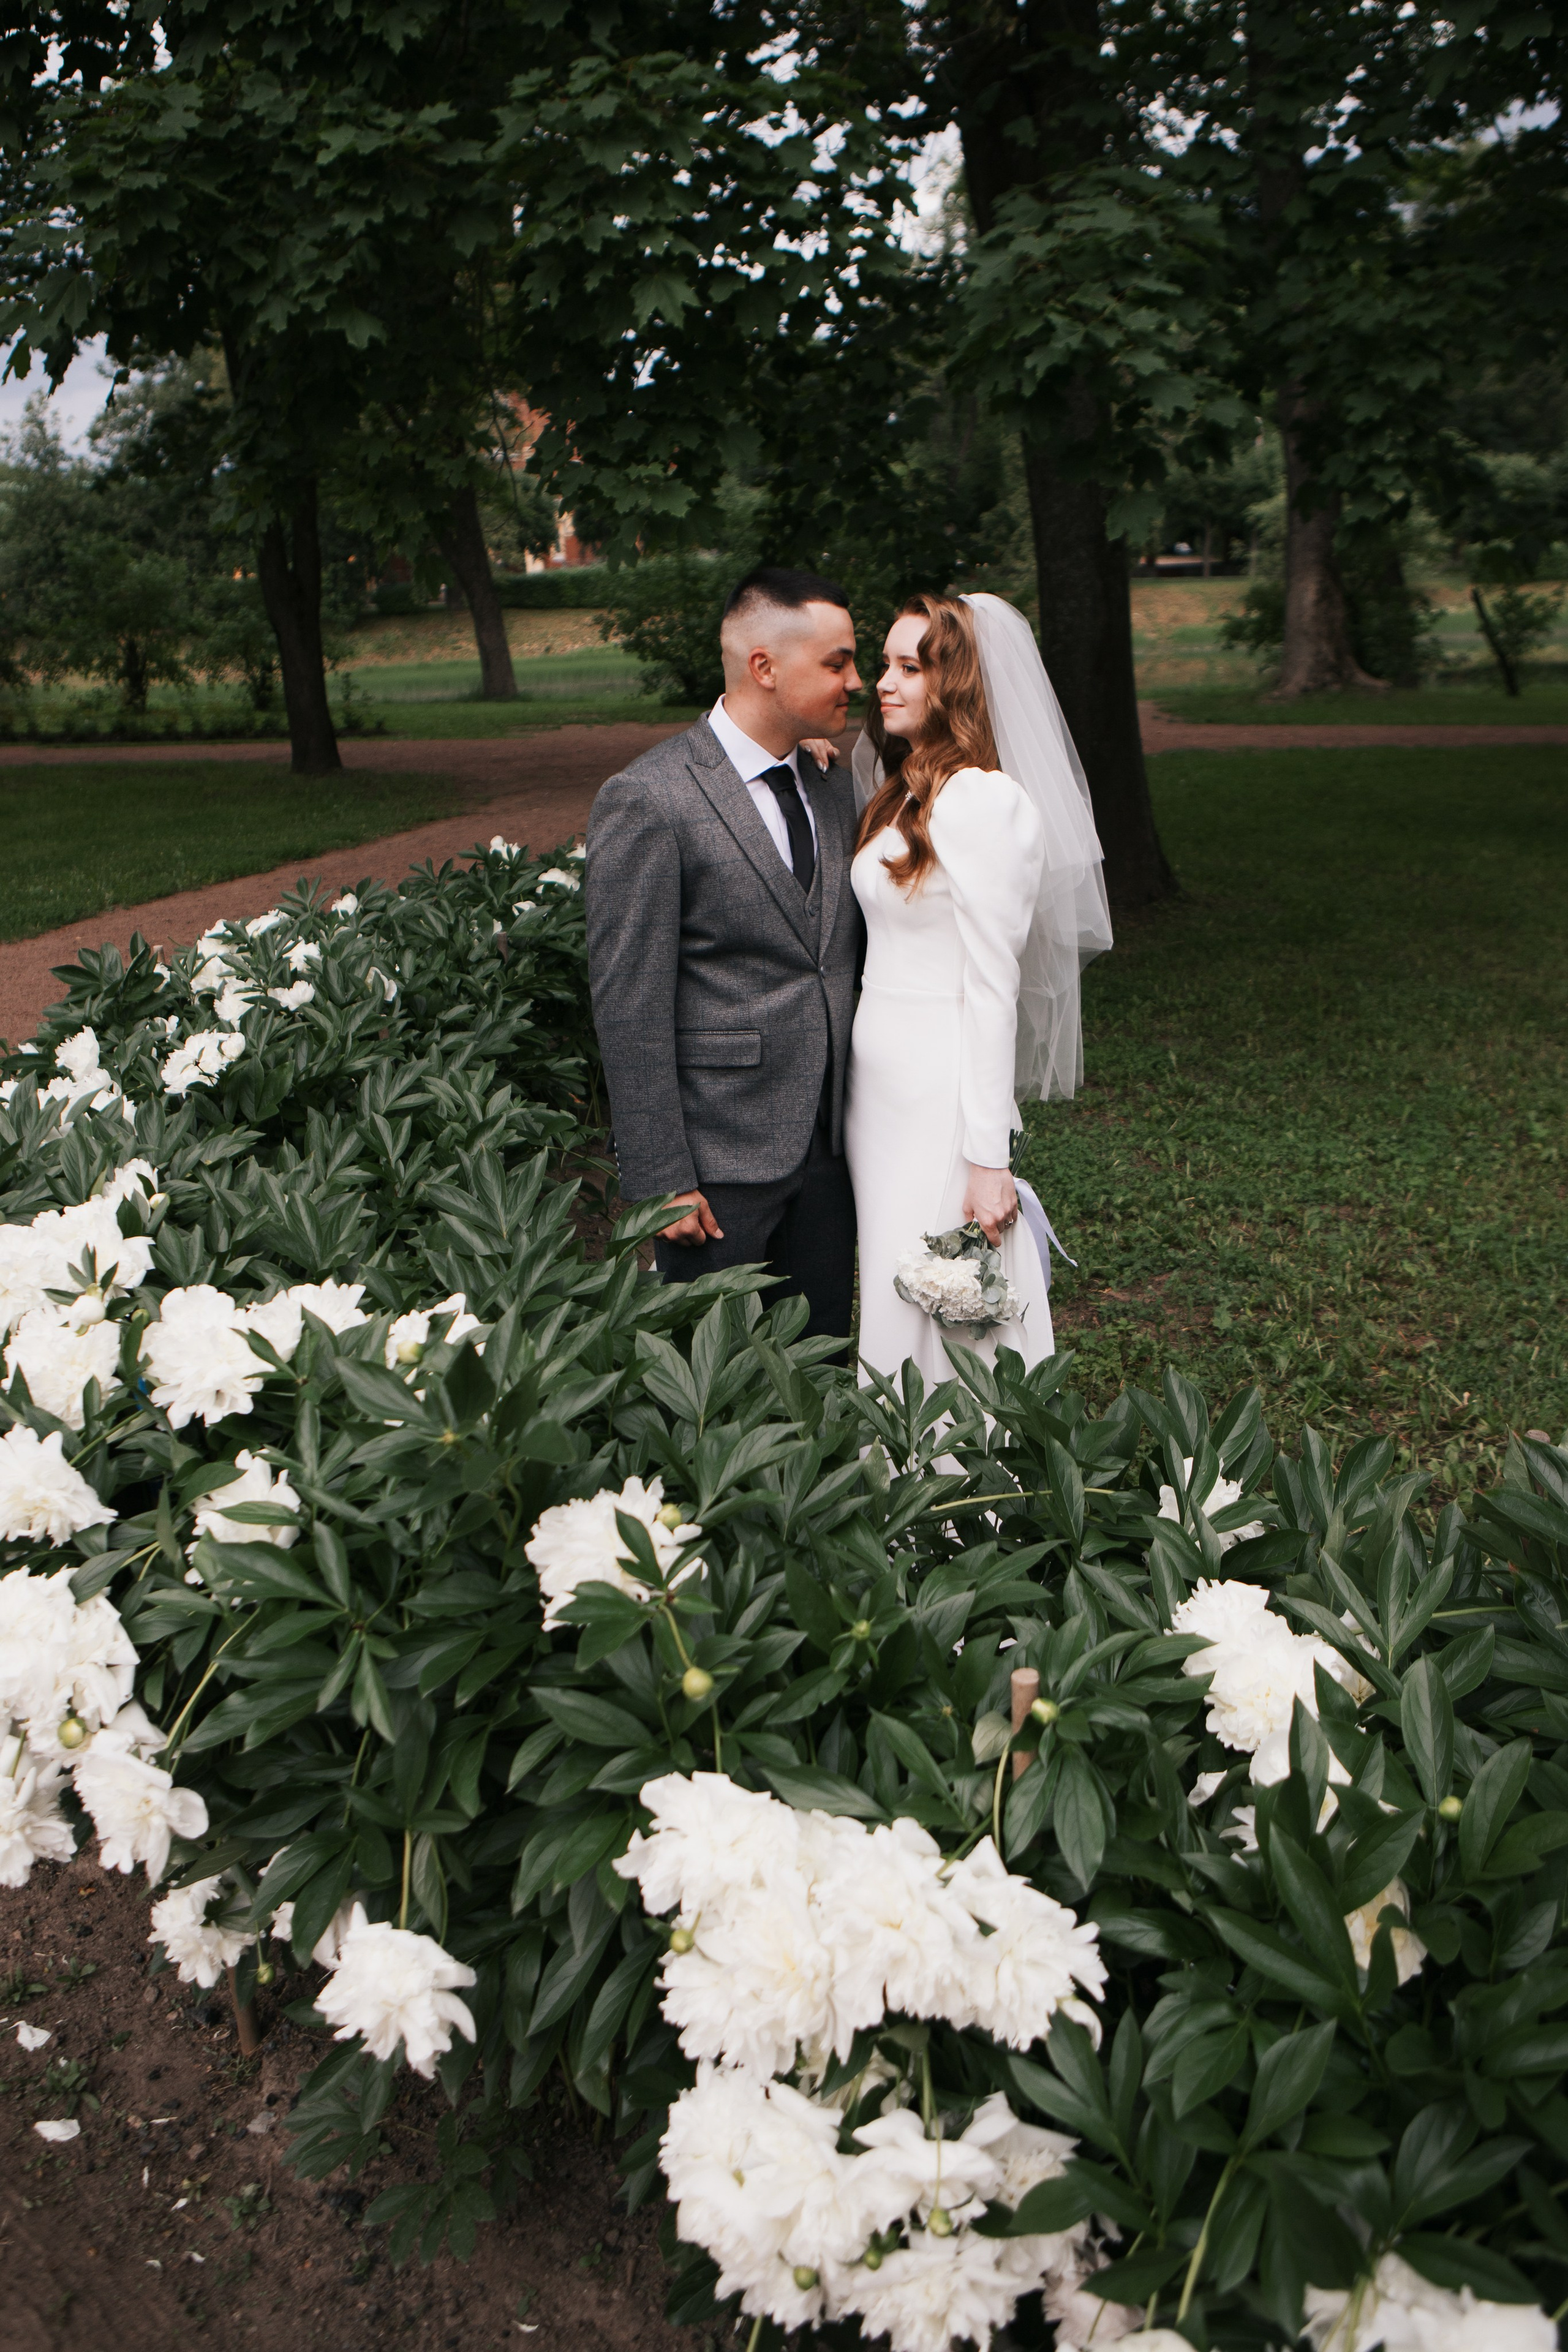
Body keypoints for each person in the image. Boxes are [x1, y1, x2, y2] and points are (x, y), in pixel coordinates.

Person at [583, 567, 864, 1344]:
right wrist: (659, 1177)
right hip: (713, 1167)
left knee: (817, 1370)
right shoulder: (650, 798)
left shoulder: (830, 780)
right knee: (708, 1387)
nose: (856, 680)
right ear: (763, 667)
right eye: (837, 663)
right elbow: (627, 1002)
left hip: (831, 1146)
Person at [846, 592, 1113, 1388]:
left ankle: (964, 1498)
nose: (883, 683)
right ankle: (893, 1472)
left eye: (908, 667)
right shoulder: (907, 791)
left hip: (938, 1088)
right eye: (884, 665)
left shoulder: (983, 801)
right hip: (879, 1096)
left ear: (955, 684)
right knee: (892, 1293)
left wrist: (986, 1156)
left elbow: (996, 985)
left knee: (943, 1296)